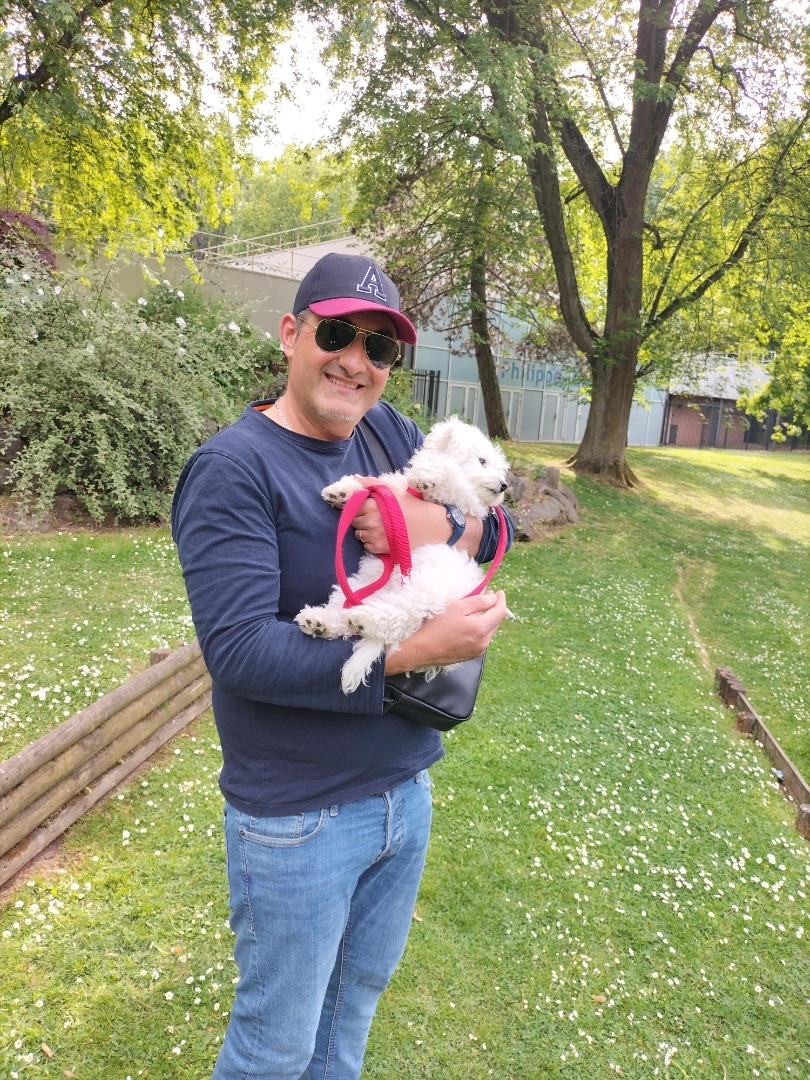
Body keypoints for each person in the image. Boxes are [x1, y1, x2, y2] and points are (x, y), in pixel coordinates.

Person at [171, 252, 513, 1080]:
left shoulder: (384, 432)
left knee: (348, 1017)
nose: (356, 361)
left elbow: (502, 521)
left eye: (379, 347)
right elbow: (241, 653)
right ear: (291, 334)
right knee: (275, 1048)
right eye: (337, 335)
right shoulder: (233, 469)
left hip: (403, 791)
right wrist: (412, 652)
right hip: (297, 817)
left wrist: (443, 532)